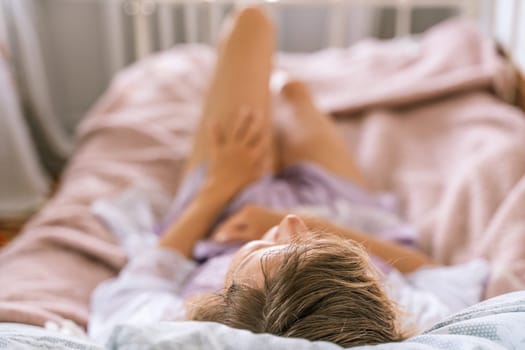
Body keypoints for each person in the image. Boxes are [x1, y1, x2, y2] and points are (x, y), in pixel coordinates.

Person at [88, 6, 467, 347]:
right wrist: (324, 227)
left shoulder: (177, 316)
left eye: (257, 250)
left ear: (222, 299)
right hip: (340, 209)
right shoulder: (403, 313)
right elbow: (435, 273)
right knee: (295, 93)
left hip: (224, 206)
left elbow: (145, 277)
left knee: (251, 22)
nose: (291, 221)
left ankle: (266, 107)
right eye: (312, 248)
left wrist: (219, 187)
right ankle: (281, 88)